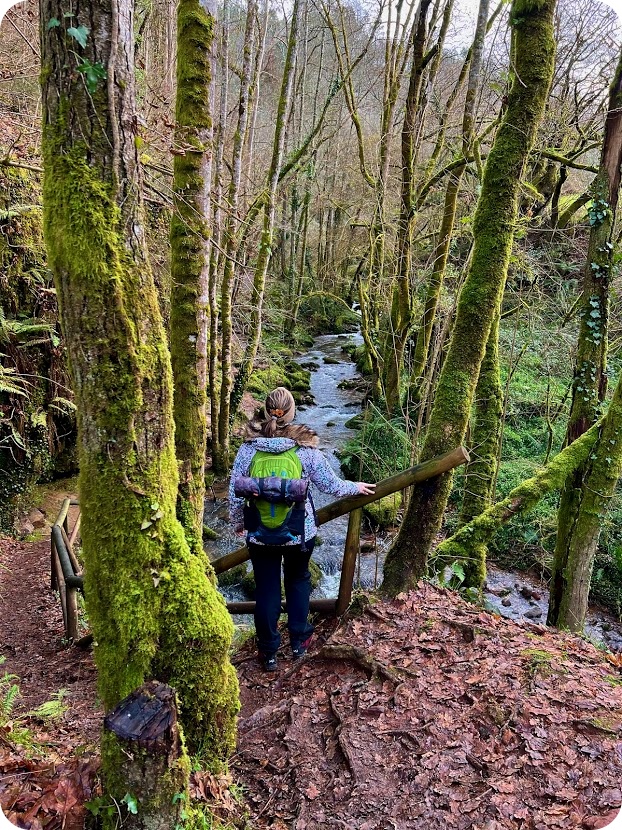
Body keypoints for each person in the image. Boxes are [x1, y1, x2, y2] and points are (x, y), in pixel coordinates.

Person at [229, 387, 376, 672]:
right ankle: (299, 643)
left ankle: (269, 653)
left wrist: (239, 523)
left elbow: (235, 494)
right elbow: (331, 485)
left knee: (267, 589)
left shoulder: (247, 449)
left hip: (259, 533)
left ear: (265, 411)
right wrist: (355, 487)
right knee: (298, 581)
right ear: (292, 412)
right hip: (299, 533)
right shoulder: (306, 450)